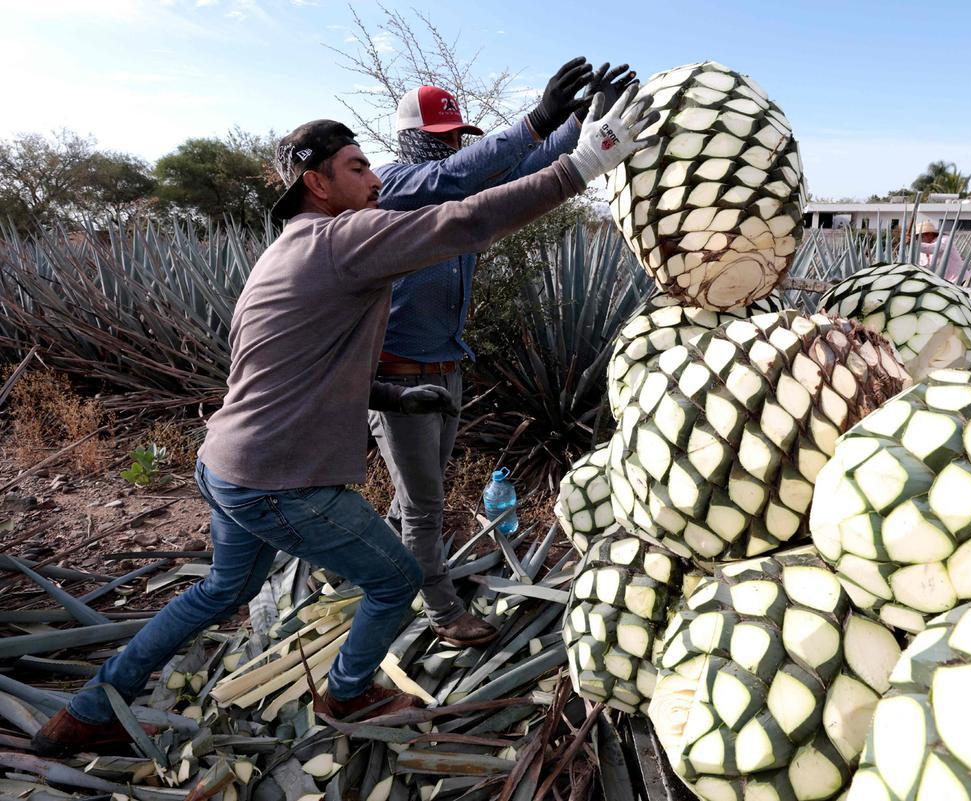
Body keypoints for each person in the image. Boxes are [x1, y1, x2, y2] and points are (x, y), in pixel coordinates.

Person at [31, 85, 658, 757]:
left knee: (220, 590)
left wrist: (389, 392)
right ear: (317, 182)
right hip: (279, 477)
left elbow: (289, 362)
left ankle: (88, 709)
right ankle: (348, 691)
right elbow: (465, 220)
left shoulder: (287, 246)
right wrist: (583, 161)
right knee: (395, 579)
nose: (374, 176)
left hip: (225, 462)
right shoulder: (342, 238)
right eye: (358, 166)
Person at [367, 59, 636, 648]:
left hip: (444, 367)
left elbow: (530, 171)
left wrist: (578, 124)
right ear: (409, 138)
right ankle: (439, 611)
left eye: (453, 140)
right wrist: (535, 119)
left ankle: (381, 574)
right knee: (424, 506)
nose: (447, 151)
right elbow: (457, 176)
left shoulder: (452, 189)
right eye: (436, 140)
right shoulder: (392, 185)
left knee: (415, 493)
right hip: (396, 378)